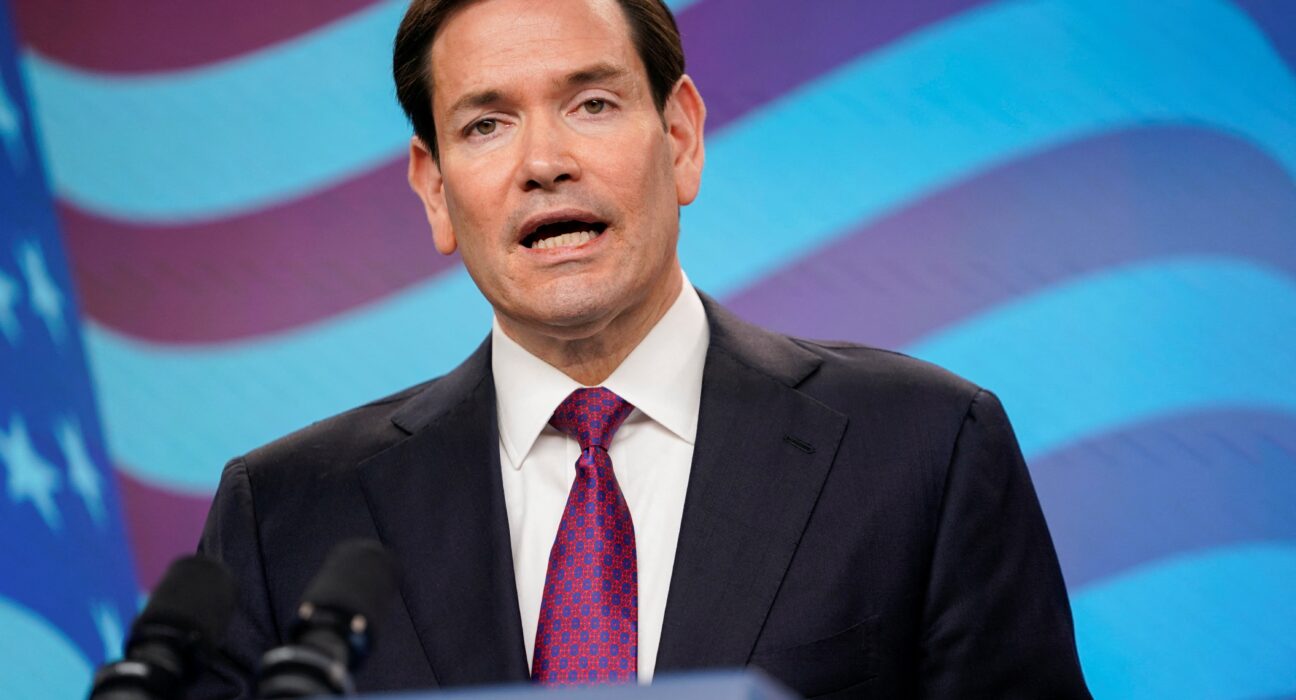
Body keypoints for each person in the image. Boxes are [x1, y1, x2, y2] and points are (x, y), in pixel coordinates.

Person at [196, 0, 1091, 697]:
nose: (543, 162)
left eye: (591, 103)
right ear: (434, 190)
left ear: (681, 136)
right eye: (485, 124)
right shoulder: (286, 515)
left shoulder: (922, 447)